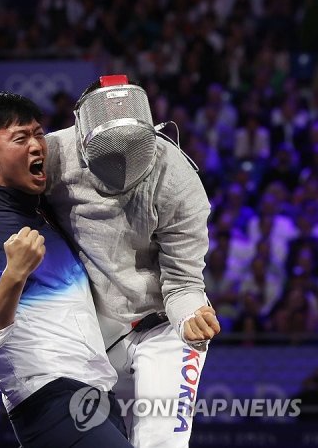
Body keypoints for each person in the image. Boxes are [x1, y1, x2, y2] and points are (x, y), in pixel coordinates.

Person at [43, 75, 221, 447]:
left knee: (159, 442)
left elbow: (184, 282)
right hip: (88, 333)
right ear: (80, 129)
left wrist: (190, 316)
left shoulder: (179, 179)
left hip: (162, 329)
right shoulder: (50, 158)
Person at [0, 91, 131, 447]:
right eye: (20, 138)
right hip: (49, 394)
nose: (37, 145)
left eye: (38, 133)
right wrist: (13, 275)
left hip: (94, 390)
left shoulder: (46, 215)